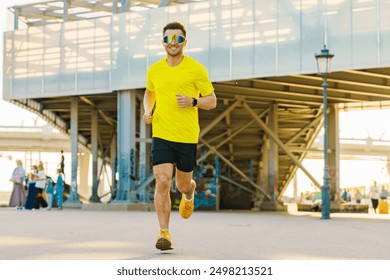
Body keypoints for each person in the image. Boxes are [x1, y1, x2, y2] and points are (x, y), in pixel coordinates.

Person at [143, 21, 217, 251]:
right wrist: (148, 109)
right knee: (162, 181)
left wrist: (193, 101)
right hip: (162, 133)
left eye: (176, 39)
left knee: (182, 184)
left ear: (184, 41)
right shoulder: (154, 69)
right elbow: (149, 92)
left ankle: (189, 193)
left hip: (186, 136)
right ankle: (164, 233)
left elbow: (212, 101)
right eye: (167, 39)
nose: (172, 43)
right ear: (162, 42)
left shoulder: (196, 69)